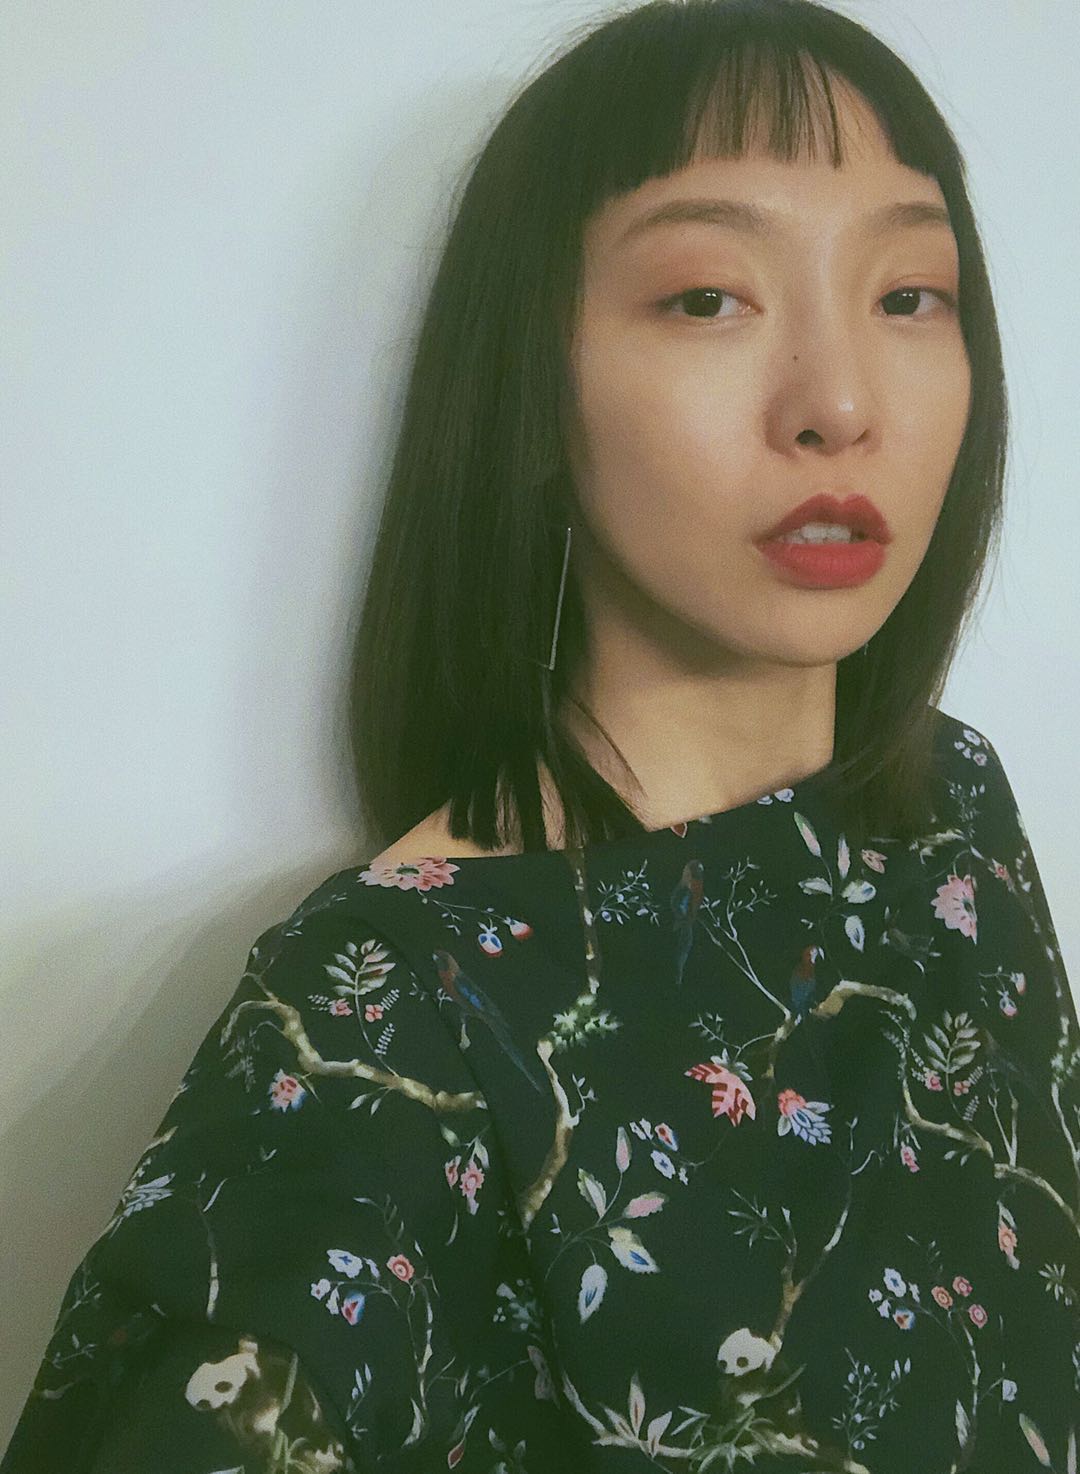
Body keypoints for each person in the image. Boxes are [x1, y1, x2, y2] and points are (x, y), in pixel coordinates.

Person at [5, 1, 1077, 1470]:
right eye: (707, 298)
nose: (840, 402)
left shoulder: (949, 810)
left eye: (909, 294)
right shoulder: (383, 1031)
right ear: (532, 381)